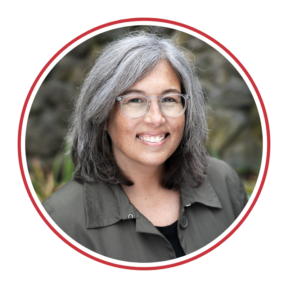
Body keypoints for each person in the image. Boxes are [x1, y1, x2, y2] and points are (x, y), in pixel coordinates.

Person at [41, 31, 248, 264]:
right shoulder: (61, 219)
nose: (156, 118)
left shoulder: (224, 182)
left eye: (169, 99)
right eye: (135, 100)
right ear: (103, 114)